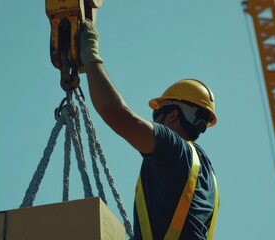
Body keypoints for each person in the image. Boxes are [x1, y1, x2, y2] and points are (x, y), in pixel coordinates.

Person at [78, 19, 219, 240]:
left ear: (173, 115)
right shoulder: (207, 175)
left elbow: (114, 111)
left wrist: (90, 56)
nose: (153, 121)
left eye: (157, 114)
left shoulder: (173, 149)